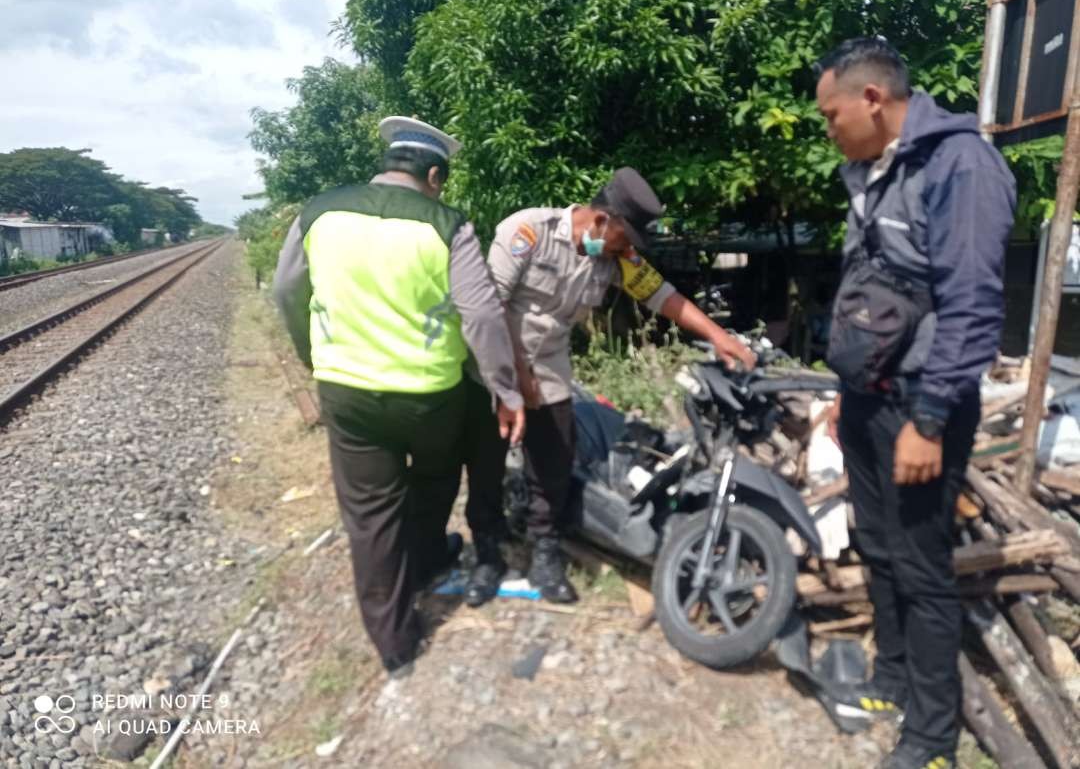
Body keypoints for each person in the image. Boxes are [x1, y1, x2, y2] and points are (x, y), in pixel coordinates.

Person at [815, 38, 1015, 769]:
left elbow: (972, 306)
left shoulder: (961, 165)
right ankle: (892, 678)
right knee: (878, 545)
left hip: (921, 408)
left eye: (832, 114)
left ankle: (933, 740)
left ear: (872, 100)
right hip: (867, 401)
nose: (828, 128)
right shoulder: (870, 171)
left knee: (925, 566)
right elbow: (865, 291)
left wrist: (930, 421)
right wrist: (844, 390)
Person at [272, 116, 525, 677]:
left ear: (388, 162)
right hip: (429, 395)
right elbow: (481, 314)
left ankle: (395, 643)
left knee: (369, 513)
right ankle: (429, 555)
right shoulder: (446, 223)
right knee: (435, 480)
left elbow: (286, 289)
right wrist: (505, 390)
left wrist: (312, 355)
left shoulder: (320, 211)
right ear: (434, 175)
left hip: (347, 391)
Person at [462, 167, 755, 606]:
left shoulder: (610, 257)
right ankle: (486, 551)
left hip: (550, 369)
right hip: (497, 361)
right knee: (486, 460)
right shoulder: (527, 231)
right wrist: (516, 380)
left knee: (554, 459)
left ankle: (545, 550)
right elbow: (490, 307)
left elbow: (662, 295)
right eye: (626, 238)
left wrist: (718, 336)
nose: (628, 250)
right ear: (602, 221)